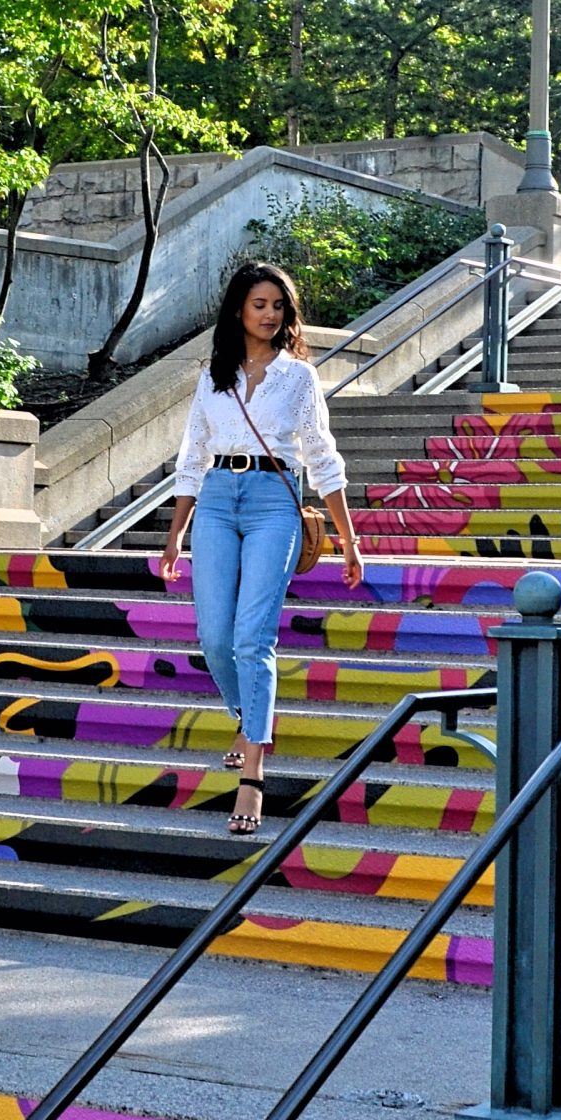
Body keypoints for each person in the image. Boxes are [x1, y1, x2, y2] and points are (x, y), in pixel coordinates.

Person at [159, 260, 363, 834]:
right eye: (260, 305)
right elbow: (192, 456)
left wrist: (348, 540)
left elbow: (322, 456)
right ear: (237, 311)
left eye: (278, 305)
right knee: (214, 636)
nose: (271, 314)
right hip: (218, 500)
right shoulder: (212, 376)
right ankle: (247, 715)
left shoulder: (298, 377)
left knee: (254, 636)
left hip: (276, 500)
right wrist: (176, 531)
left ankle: (252, 775)